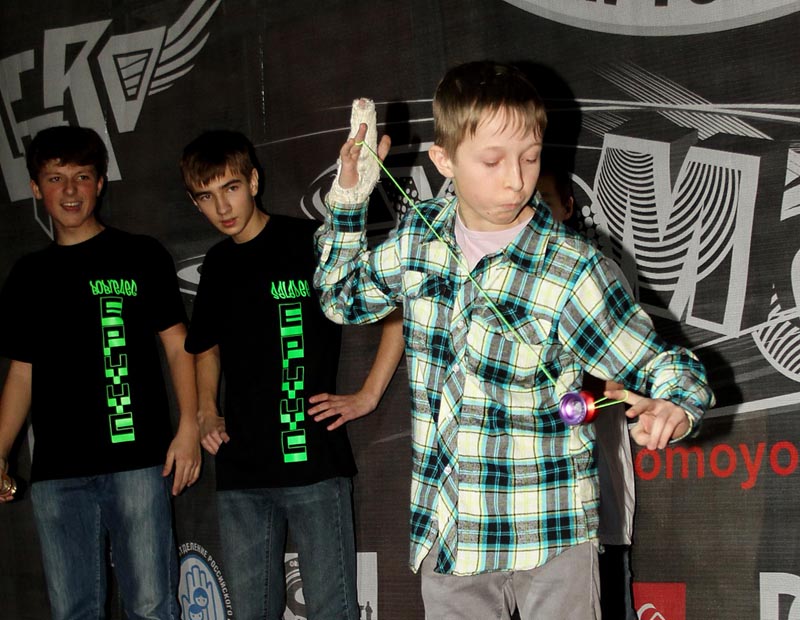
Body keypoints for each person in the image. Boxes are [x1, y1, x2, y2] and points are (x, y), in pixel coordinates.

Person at [313, 60, 715, 620]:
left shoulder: (572, 268)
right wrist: (349, 199)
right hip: (449, 535)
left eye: (529, 157)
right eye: (492, 160)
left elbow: (665, 366)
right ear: (444, 160)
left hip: (550, 535)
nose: (515, 179)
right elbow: (339, 299)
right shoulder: (417, 241)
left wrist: (678, 406)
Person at [179, 130, 404, 620]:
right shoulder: (217, 264)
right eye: (207, 196)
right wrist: (206, 411)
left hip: (312, 463)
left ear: (253, 181)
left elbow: (394, 309)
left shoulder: (311, 242)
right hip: (241, 468)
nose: (222, 207)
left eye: (230, 188)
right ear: (195, 203)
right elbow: (205, 347)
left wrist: (368, 394)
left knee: (332, 611)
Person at [0, 125, 200, 619]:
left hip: (137, 462)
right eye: (56, 178)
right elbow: (22, 373)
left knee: (152, 607)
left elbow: (179, 347)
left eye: (82, 176)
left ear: (101, 182)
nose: (70, 190)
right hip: (56, 472)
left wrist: (189, 426)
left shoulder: (140, 255)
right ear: (35, 188)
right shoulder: (27, 276)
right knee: (73, 612)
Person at [537, 166, 637, 620]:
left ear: (568, 208)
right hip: (508, 519)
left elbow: (625, 377)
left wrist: (577, 397)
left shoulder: (597, 273)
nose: (535, 214)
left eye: (545, 202)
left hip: (588, 506)